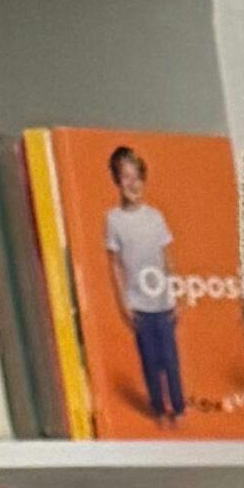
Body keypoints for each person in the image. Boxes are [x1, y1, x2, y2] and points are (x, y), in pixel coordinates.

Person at [100, 143, 183, 422]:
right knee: (150, 360)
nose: (132, 184)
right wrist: (123, 303)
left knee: (169, 358)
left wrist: (175, 293)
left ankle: (178, 408)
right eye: (126, 177)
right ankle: (159, 408)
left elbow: (166, 257)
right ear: (117, 181)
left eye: (137, 177)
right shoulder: (113, 220)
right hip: (138, 304)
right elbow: (114, 264)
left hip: (162, 301)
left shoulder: (155, 217)